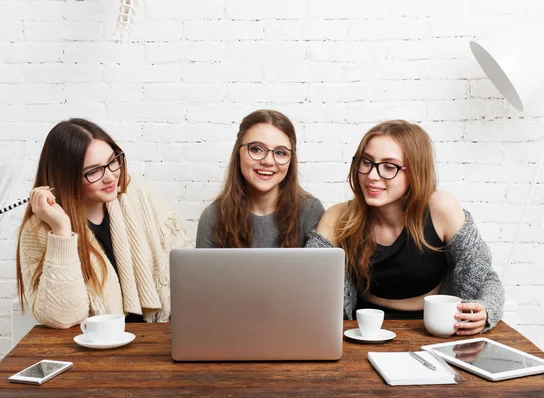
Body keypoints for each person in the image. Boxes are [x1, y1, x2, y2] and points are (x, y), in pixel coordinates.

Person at [306, 120, 504, 334]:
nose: (372, 176)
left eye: (389, 167)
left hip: (432, 333)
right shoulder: (339, 217)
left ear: (415, 172)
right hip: (361, 332)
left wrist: (487, 310)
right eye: (366, 162)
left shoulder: (441, 208)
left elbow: (484, 276)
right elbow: (305, 278)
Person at [16, 118, 190, 329]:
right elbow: (62, 317)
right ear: (65, 178)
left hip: (154, 338)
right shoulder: (40, 230)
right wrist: (61, 231)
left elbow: (187, 269)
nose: (110, 177)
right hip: (92, 348)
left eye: (113, 160)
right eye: (93, 171)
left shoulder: (137, 194)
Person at [196, 109, 324, 248]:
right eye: (256, 149)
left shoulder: (310, 210)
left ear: (290, 160)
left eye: (280, 152)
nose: (268, 161)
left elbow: (321, 269)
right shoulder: (213, 217)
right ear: (238, 153)